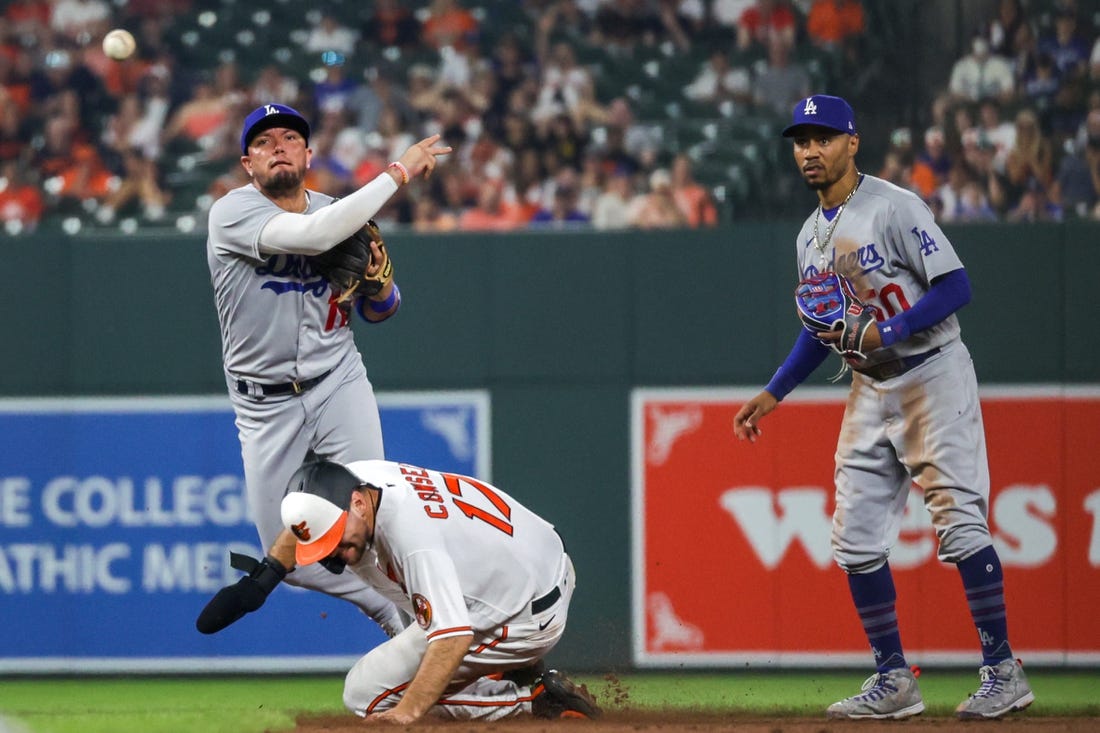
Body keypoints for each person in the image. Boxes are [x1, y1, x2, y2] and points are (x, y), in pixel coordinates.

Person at [732, 94, 1035, 721]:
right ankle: (894, 679)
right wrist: (775, 391)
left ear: (852, 142)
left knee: (959, 524)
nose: (809, 151)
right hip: (869, 388)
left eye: (822, 138)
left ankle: (1003, 670)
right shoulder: (807, 237)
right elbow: (822, 329)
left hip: (933, 372)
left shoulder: (894, 206)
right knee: (854, 540)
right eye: (800, 141)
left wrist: (892, 331)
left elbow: (957, 286)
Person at [201, 103, 451, 638]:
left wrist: (381, 285)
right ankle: (391, 611)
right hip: (264, 404)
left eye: (290, 137)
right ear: (248, 163)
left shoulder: (342, 211)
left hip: (337, 379)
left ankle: (438, 628)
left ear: (308, 154)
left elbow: (382, 311)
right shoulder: (231, 213)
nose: (278, 147)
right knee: (293, 552)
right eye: (264, 142)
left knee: (375, 520)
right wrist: (398, 171)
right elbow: (314, 237)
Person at [271, 458, 602, 723]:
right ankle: (514, 671)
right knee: (398, 593)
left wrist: (407, 712)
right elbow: (303, 524)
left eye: (336, 538)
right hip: (540, 562)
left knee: (366, 695)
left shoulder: (411, 539)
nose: (335, 552)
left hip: (527, 616)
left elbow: (451, 638)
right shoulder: (357, 479)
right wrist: (264, 574)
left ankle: (534, 701)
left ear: (357, 503)